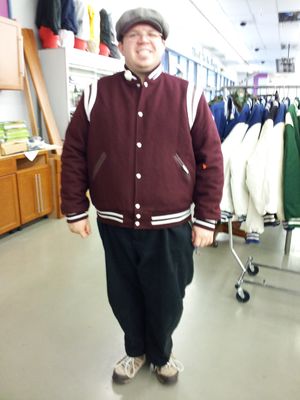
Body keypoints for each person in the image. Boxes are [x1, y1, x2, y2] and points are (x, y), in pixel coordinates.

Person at [61, 7, 224, 385]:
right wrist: (75, 209)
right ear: (120, 45)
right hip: (115, 224)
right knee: (124, 294)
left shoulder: (188, 96)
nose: (143, 41)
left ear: (163, 45)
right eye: (134, 36)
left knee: (168, 296)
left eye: (152, 35)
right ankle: (135, 350)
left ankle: (161, 352)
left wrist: (206, 219)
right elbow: (74, 154)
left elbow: (211, 160)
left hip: (170, 225)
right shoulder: (95, 94)